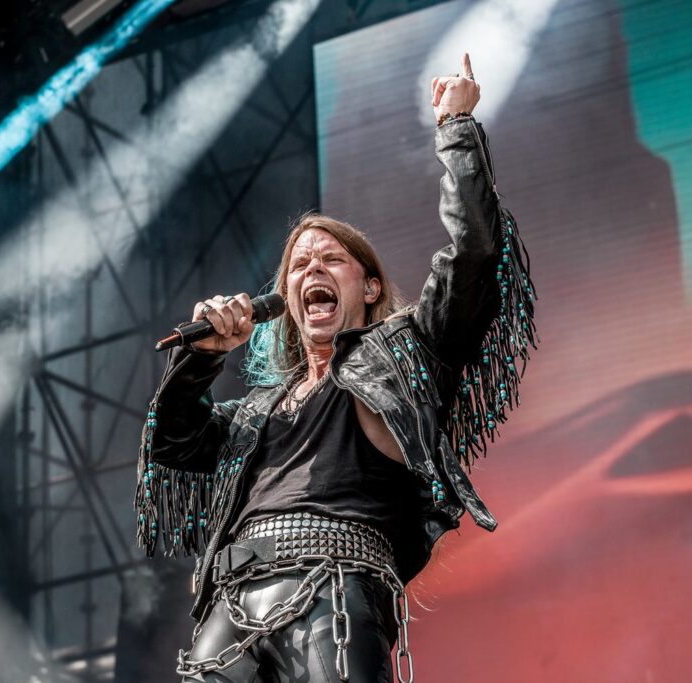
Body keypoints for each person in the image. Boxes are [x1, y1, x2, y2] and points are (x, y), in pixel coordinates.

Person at [134, 53, 537, 682]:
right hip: (230, 606)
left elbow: (474, 255)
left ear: (370, 287)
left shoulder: (404, 357)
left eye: (330, 260)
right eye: (299, 266)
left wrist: (456, 127)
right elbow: (173, 441)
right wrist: (201, 358)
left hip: (336, 583)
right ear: (288, 302)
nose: (311, 270)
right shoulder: (257, 412)